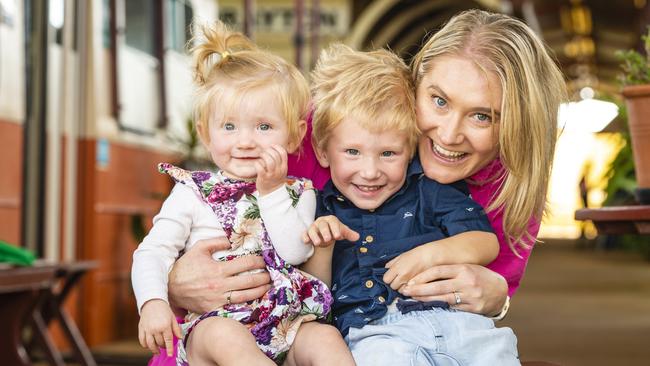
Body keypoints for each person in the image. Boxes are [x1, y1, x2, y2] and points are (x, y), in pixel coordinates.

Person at [152, 8, 566, 365]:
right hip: (242, 334)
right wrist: (171, 281)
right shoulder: (321, 128)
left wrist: (497, 297)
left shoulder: (508, 180)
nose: (450, 133)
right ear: (413, 83)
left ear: (514, 124)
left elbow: (492, 284)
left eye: (483, 116)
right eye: (439, 100)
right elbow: (214, 205)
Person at [131, 22, 354, 366]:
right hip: (214, 325)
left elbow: (294, 252)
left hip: (285, 324)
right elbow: (152, 251)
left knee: (325, 337)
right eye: (229, 126)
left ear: (295, 135)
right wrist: (153, 303)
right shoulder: (193, 193)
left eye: (264, 127)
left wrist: (271, 192)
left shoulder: (298, 192)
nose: (246, 141)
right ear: (206, 134)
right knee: (225, 337)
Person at [299, 42, 518, 365]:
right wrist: (323, 245)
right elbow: (316, 297)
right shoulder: (318, 208)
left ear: (411, 149)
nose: (370, 172)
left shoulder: (428, 190)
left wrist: (433, 254)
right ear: (322, 151)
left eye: (388, 153)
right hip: (376, 333)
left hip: (463, 325)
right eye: (352, 152)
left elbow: (485, 242)